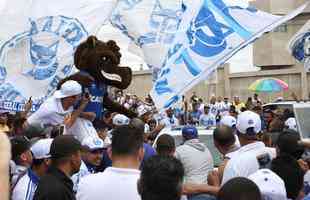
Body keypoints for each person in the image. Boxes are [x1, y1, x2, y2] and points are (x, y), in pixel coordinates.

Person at [76, 125, 144, 200]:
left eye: (101, 152)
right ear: (141, 153)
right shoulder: (151, 187)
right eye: (94, 152)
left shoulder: (86, 184)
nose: (99, 156)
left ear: (109, 152)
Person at [221, 111, 276, 185]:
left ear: (236, 132)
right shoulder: (277, 154)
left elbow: (227, 194)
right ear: (260, 131)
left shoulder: (234, 162)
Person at [33, 135, 82, 200]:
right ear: (73, 158)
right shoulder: (56, 190)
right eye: (79, 155)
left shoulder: (52, 181)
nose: (81, 160)